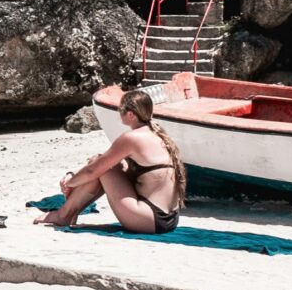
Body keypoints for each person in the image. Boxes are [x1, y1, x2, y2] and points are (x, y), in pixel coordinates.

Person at [39, 89, 186, 234]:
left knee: (101, 165)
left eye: (120, 110)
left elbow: (93, 170)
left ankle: (63, 215)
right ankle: (69, 212)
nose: (118, 113)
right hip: (169, 220)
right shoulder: (156, 135)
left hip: (151, 219)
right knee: (107, 163)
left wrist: (69, 182)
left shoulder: (132, 138)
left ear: (130, 114)